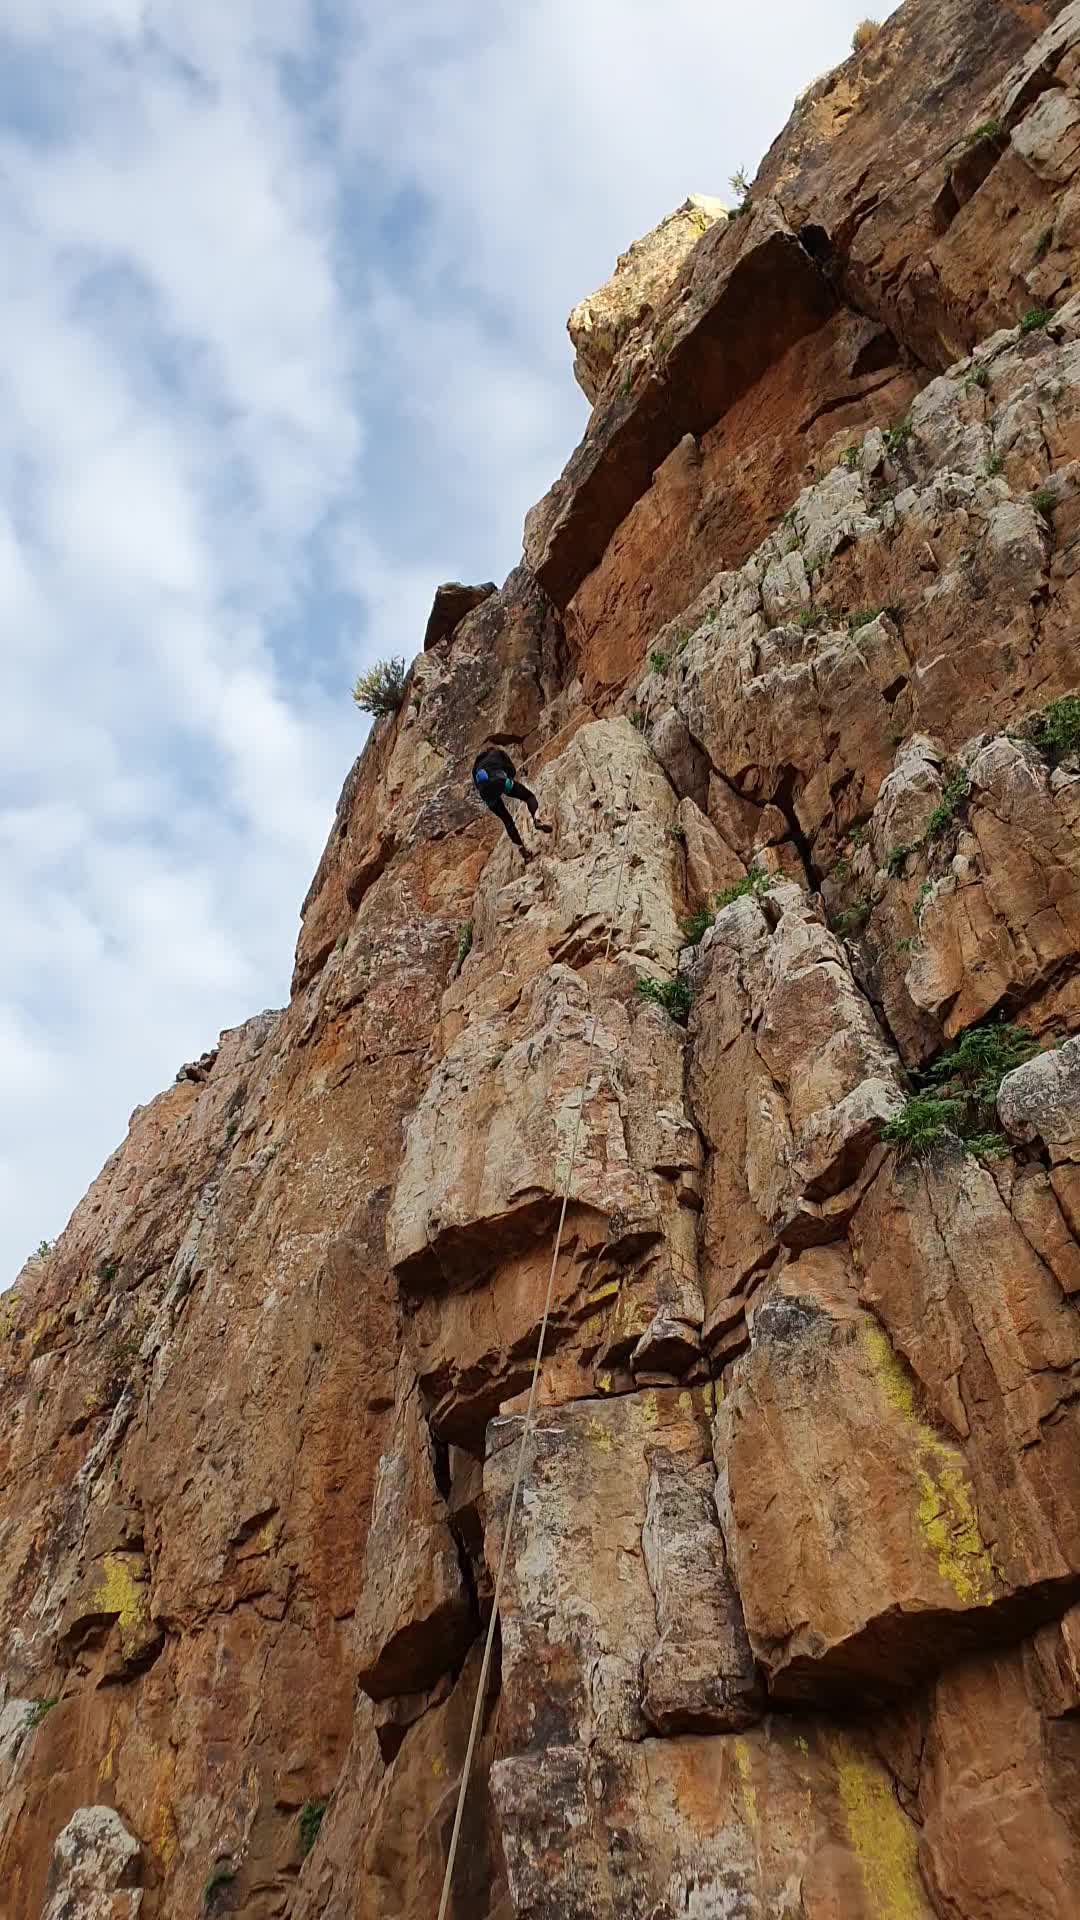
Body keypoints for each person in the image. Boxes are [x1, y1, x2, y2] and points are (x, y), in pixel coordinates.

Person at [471, 746, 553, 860]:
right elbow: (512, 770)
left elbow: (477, 784)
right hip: (501, 782)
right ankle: (537, 820)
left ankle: (522, 850)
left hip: (486, 793)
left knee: (507, 820)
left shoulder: (476, 766)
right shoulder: (498, 753)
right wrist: (508, 777)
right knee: (529, 797)